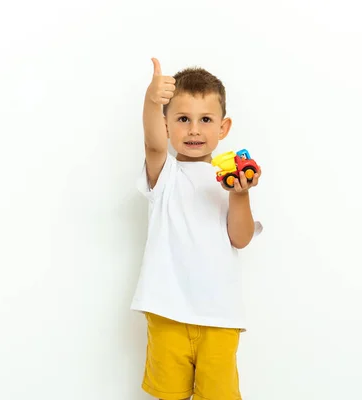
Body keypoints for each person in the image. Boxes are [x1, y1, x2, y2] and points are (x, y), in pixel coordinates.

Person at [130, 58, 263, 400]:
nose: (193, 130)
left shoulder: (229, 179)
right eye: (182, 119)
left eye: (205, 120)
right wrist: (151, 100)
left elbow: (241, 238)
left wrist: (240, 195)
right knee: (168, 395)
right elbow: (153, 146)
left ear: (223, 128)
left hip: (220, 316)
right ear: (167, 124)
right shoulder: (166, 175)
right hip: (167, 312)